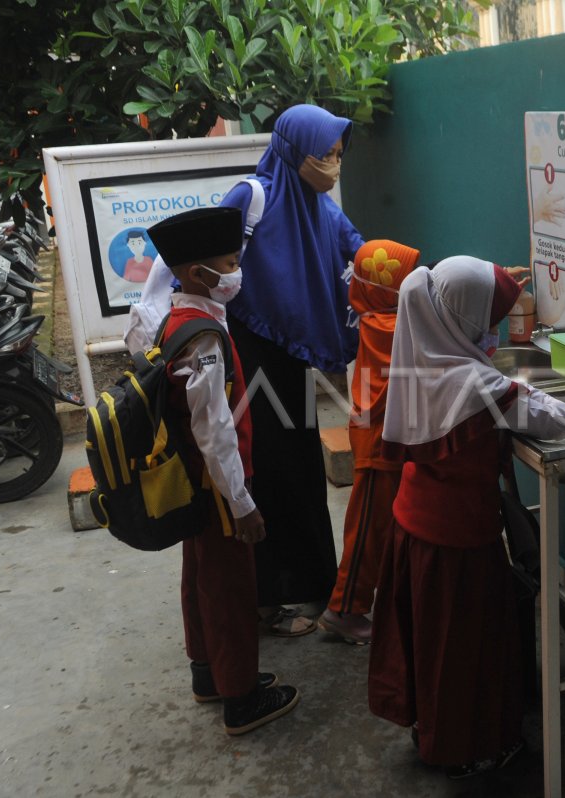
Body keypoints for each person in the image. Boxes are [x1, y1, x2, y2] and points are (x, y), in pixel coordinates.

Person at [367, 256, 565, 778]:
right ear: (463, 322)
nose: (492, 332)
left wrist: (492, 285)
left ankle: (432, 729)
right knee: (463, 648)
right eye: (487, 320)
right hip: (457, 537)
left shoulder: (425, 345)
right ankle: (465, 748)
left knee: (432, 643)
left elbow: (509, 389)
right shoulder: (470, 380)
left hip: (415, 526)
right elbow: (533, 408)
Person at [145, 207, 299, 735]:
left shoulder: (174, 316)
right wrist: (243, 503)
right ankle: (241, 698)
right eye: (230, 263)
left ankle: (208, 673)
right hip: (217, 484)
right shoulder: (204, 336)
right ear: (196, 275)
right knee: (231, 588)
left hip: (193, 480)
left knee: (201, 577)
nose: (238, 272)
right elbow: (215, 429)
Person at [220, 104, 366, 636]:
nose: (332, 164)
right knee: (261, 474)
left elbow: (368, 256)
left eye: (337, 154)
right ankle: (264, 600)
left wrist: (441, 282)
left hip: (290, 361)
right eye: (323, 154)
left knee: (300, 470)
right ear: (290, 149)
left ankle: (307, 589)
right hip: (244, 356)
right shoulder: (251, 197)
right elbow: (201, 265)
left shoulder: (322, 210)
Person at [317, 239, 421, 645]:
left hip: (381, 432)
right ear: (387, 288)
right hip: (378, 441)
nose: (416, 282)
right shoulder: (390, 325)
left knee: (384, 523)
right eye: (408, 277)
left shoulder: (380, 314)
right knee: (367, 530)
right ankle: (343, 609)